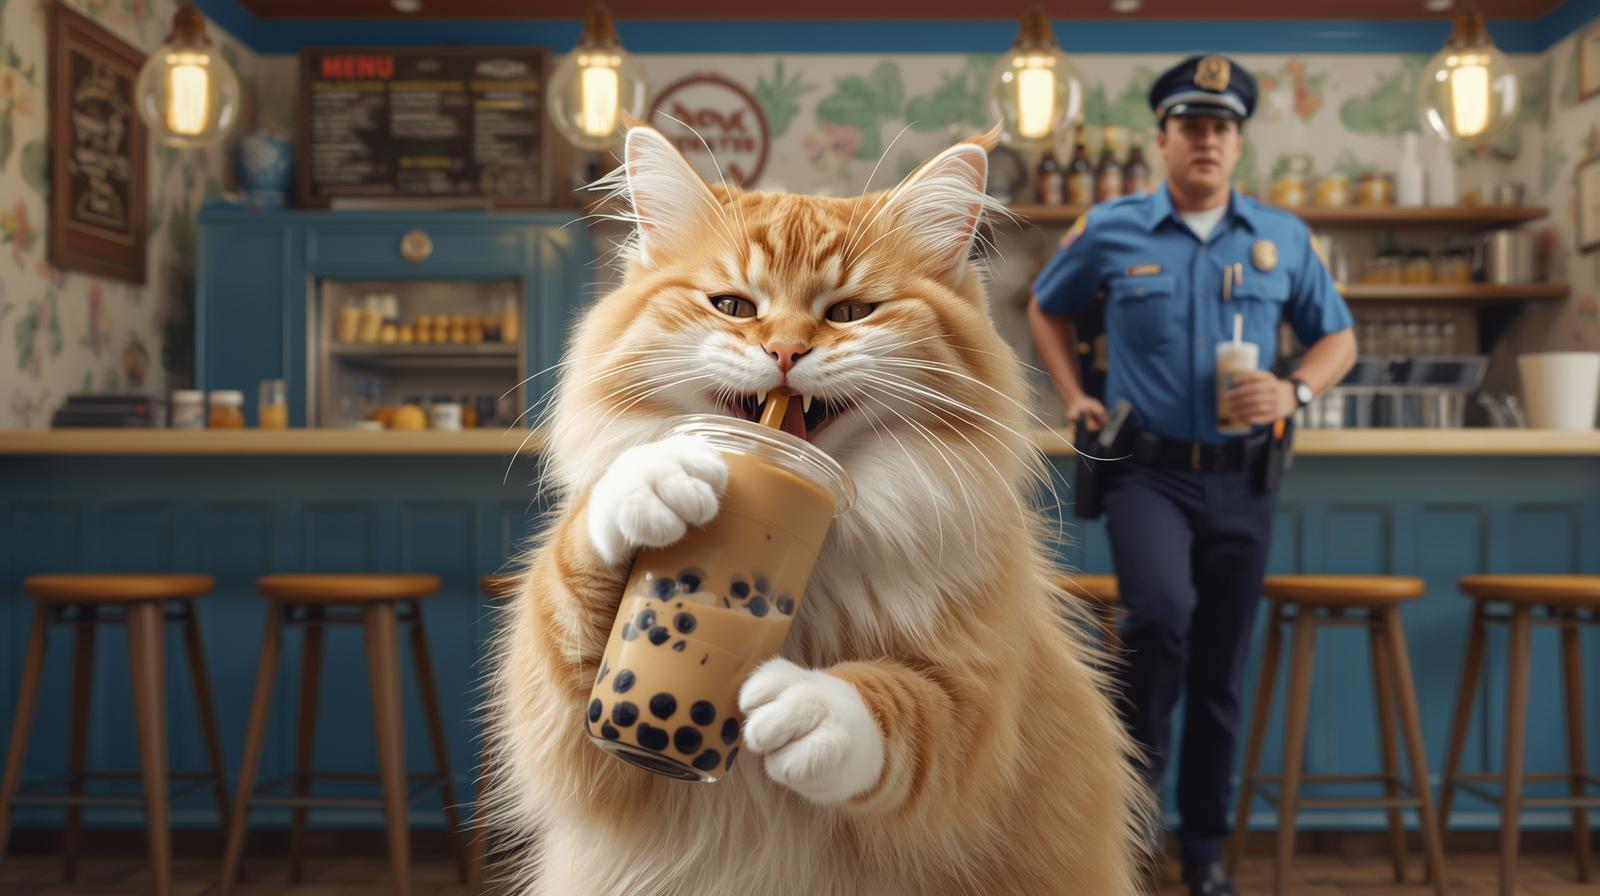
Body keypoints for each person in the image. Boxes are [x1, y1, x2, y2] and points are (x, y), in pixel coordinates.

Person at [1027, 54, 1357, 896]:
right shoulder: (1111, 229)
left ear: (1237, 145)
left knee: (1218, 669)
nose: (1207, 139)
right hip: (1148, 473)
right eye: (1191, 125)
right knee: (1160, 621)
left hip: (1246, 477)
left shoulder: (1282, 237)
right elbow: (1046, 306)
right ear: (1163, 140)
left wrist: (1294, 388)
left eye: (1221, 127)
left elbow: (1339, 337)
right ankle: (1131, 838)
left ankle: (1205, 853)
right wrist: (1075, 395)